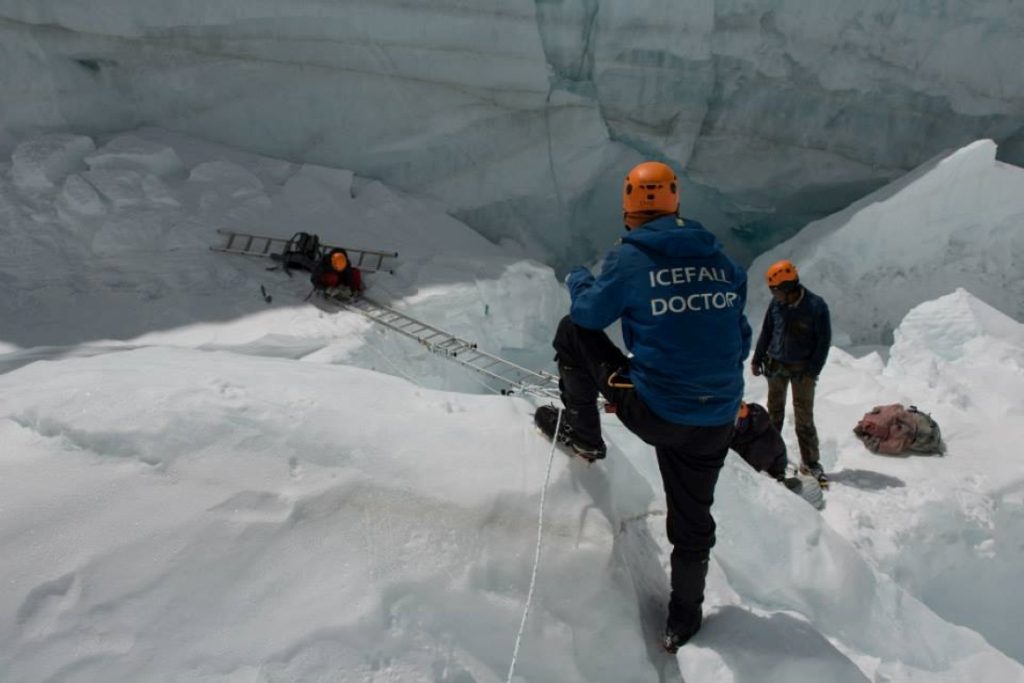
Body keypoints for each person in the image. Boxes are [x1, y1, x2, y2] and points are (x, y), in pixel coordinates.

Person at [534, 160, 751, 653]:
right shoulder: (721, 262)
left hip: (657, 410)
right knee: (693, 518)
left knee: (574, 333)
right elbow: (739, 337)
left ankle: (584, 433)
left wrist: (577, 279)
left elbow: (589, 314)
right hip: (716, 416)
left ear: (629, 207)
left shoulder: (630, 259)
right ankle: (683, 622)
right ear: (675, 200)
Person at [750, 260, 831, 485]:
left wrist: (812, 370)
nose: (774, 295)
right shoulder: (776, 305)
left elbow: (823, 341)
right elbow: (767, 330)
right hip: (776, 365)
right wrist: (757, 359)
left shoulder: (816, 306)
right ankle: (771, 457)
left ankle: (811, 462)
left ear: (787, 287)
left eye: (776, 290)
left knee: (804, 416)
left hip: (802, 369)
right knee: (774, 414)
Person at [731, 401, 787, 482]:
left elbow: (748, 473)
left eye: (736, 422)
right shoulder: (746, 426)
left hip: (770, 473)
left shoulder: (761, 441)